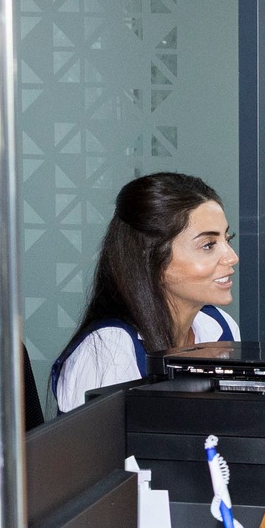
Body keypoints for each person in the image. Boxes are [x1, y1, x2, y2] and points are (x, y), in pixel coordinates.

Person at [51, 172, 241, 412]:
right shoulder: (109, 350)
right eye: (208, 245)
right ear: (151, 258)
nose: (232, 257)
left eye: (227, 239)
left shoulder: (219, 326)